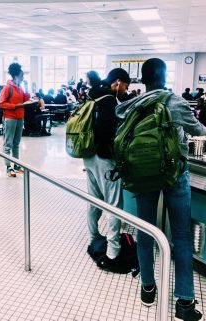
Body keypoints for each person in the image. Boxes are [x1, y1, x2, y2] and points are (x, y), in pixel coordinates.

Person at [118, 58, 206, 321]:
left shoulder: (132, 105)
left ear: (143, 78)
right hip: (175, 175)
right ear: (164, 75)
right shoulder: (175, 102)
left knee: (146, 232)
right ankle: (184, 303)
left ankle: (148, 289)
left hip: (144, 175)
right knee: (181, 237)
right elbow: (197, 130)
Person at [84, 68, 130, 273]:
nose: (125, 91)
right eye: (125, 87)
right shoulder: (110, 99)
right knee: (113, 205)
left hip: (89, 156)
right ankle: (113, 252)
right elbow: (106, 130)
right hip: (104, 158)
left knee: (94, 200)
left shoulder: (92, 94)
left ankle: (94, 238)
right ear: (118, 82)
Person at [0, 63, 31, 177]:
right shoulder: (8, 87)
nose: (23, 78)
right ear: (16, 76)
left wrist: (26, 88)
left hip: (20, 117)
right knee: (8, 143)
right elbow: (0, 103)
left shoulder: (20, 87)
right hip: (10, 118)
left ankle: (16, 165)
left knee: (16, 143)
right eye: (22, 76)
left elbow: (26, 99)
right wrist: (14, 106)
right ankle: (8, 167)